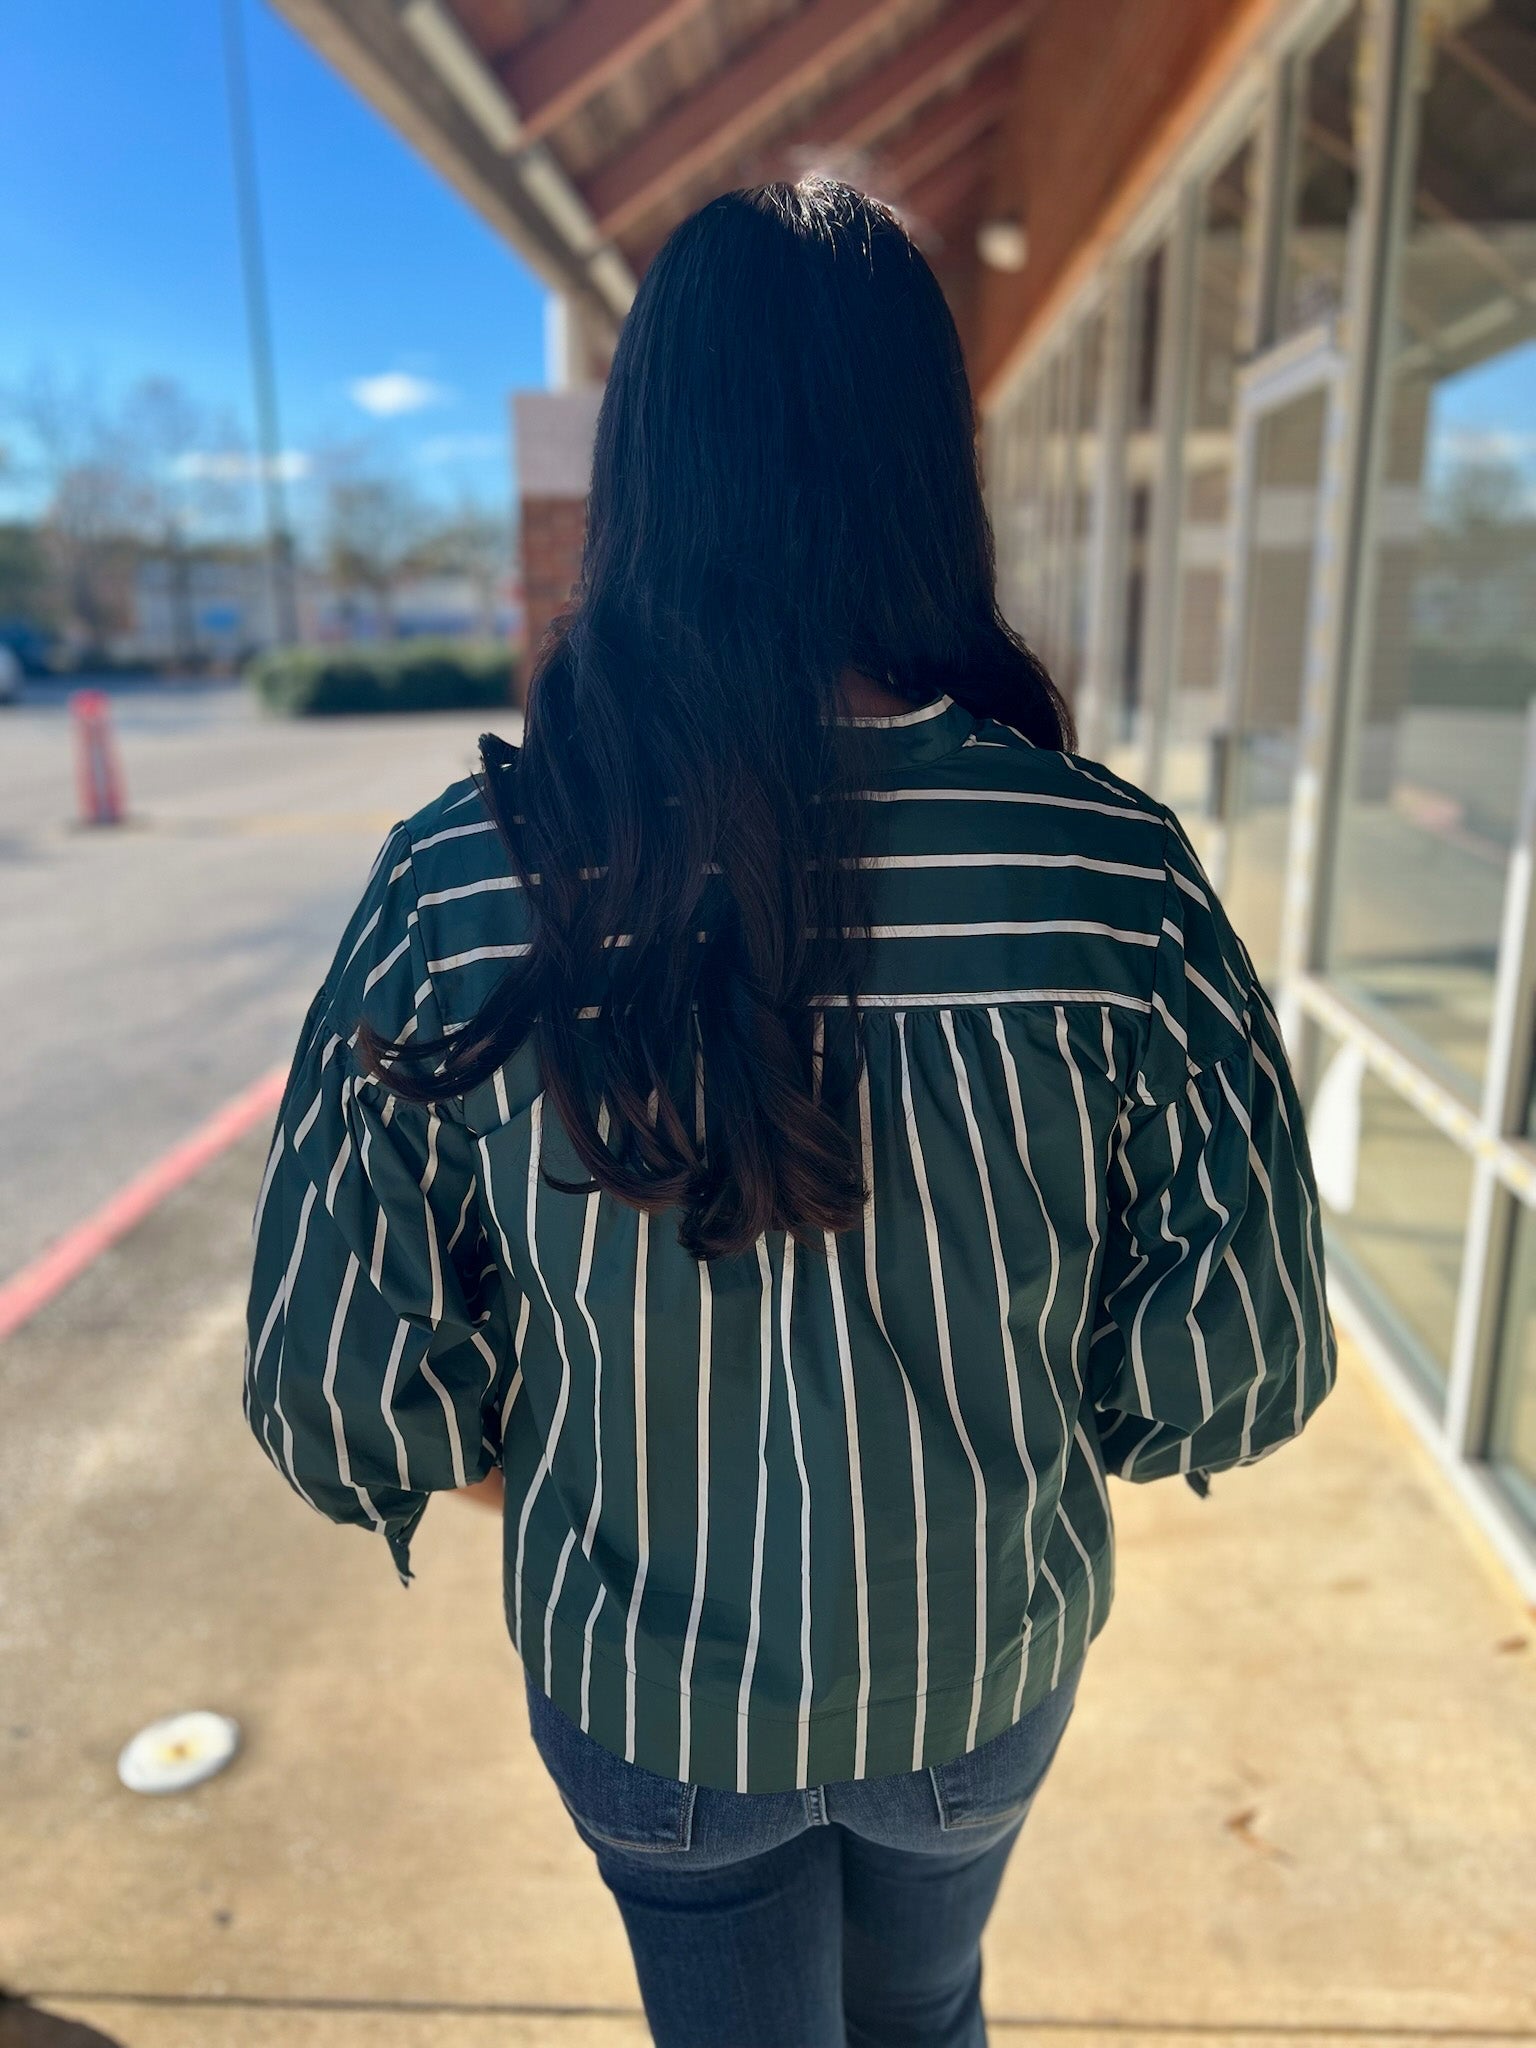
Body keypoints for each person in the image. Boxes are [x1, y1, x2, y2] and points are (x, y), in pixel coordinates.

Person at [244, 179, 1334, 2047]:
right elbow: (1238, 1359)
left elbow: (336, 1385)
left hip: (649, 1705)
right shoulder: (1117, 878)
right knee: (930, 2013)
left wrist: (540, 1455)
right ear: (932, 466)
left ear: (647, 464)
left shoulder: (467, 878)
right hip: (976, 1672)